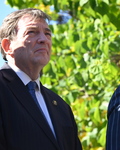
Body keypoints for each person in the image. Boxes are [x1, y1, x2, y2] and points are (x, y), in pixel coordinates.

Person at [0, 8, 82, 150]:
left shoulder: (61, 107)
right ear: (8, 46)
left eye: (47, 34)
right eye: (31, 32)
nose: (44, 39)